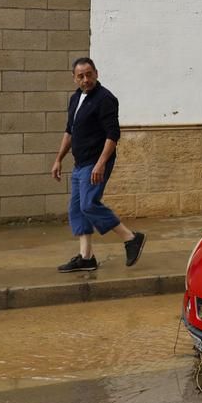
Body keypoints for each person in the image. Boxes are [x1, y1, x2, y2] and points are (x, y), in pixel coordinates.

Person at [50, 58, 145, 272]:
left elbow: (113, 134)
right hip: (80, 162)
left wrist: (101, 163)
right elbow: (69, 131)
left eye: (89, 74)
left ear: (96, 73)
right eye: (81, 76)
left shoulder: (105, 99)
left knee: (89, 204)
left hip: (96, 162)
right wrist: (58, 159)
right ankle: (86, 257)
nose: (86, 79)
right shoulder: (76, 98)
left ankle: (131, 238)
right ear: (74, 78)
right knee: (77, 209)